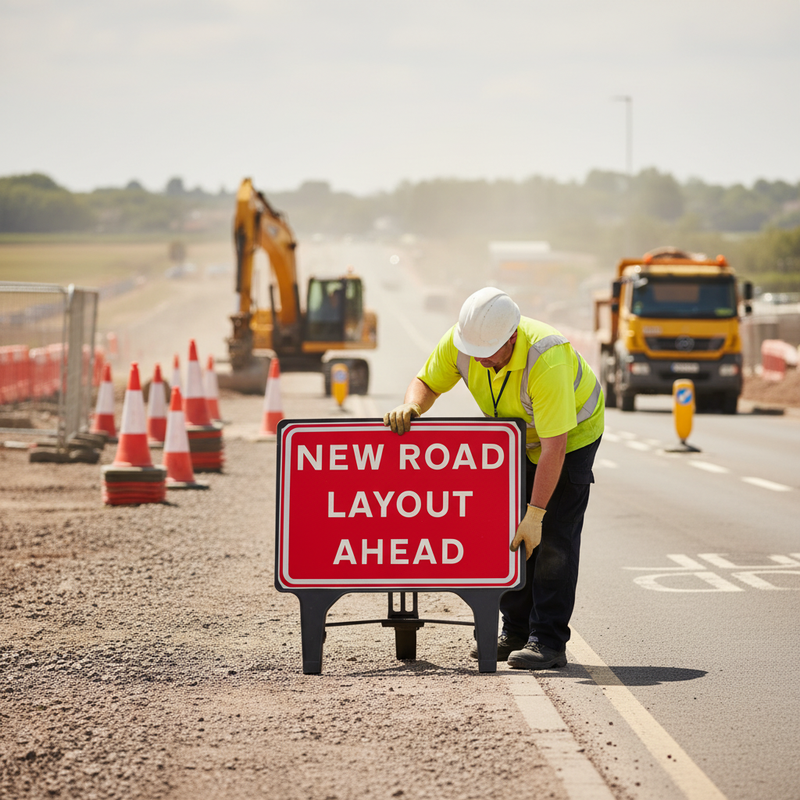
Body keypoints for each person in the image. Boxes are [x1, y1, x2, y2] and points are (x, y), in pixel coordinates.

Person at [383, 287, 604, 669]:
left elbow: (553, 448)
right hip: (516, 439)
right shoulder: (464, 342)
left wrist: (535, 514)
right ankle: (514, 631)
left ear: (513, 337)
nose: (481, 361)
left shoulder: (546, 359)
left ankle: (548, 641)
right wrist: (412, 405)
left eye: (490, 354)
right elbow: (428, 382)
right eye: (475, 353)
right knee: (508, 535)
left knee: (553, 540)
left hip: (570, 439)